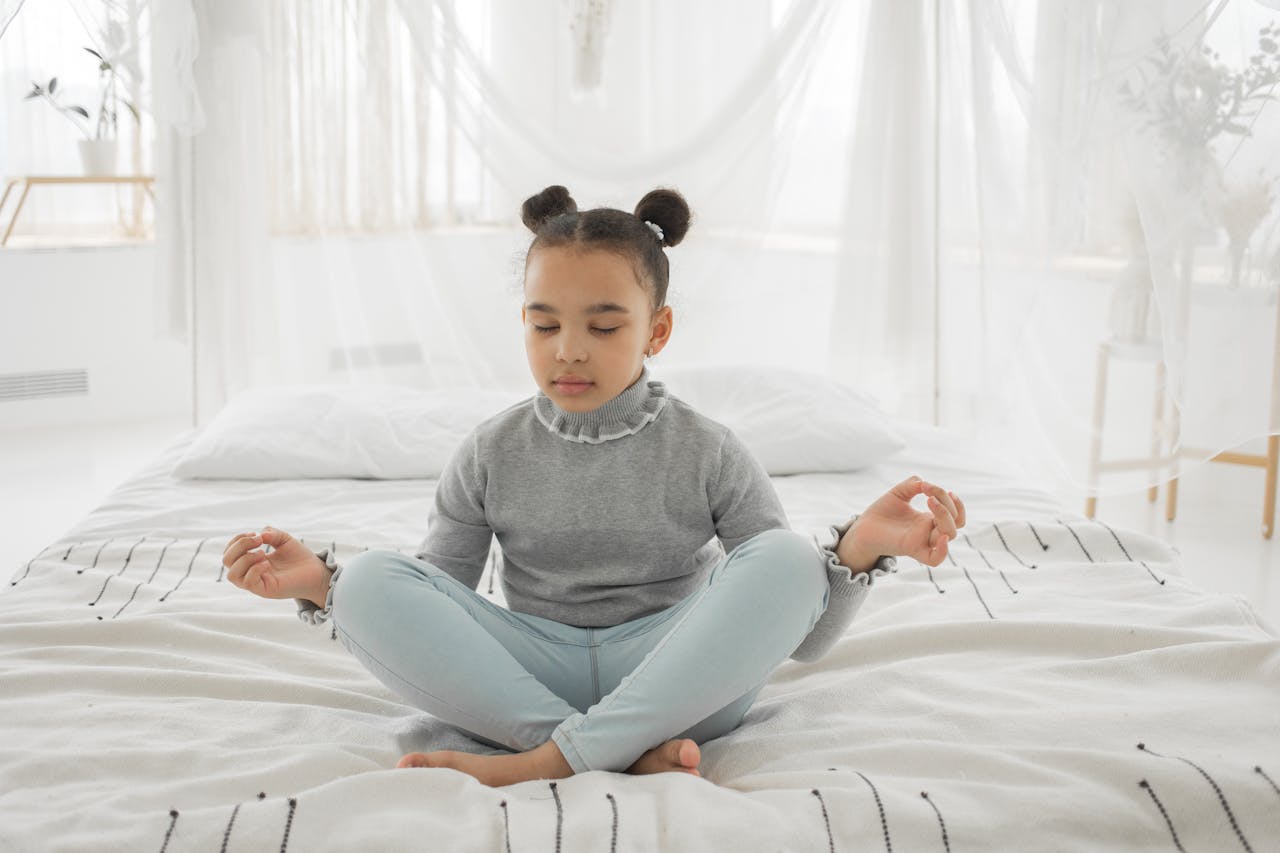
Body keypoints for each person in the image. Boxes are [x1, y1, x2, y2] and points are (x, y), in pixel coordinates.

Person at [220, 185, 966, 788]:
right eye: (544, 326)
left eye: (604, 327)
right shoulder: (489, 451)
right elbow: (432, 605)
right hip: (525, 671)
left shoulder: (709, 449)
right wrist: (319, 585)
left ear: (657, 330)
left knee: (787, 559)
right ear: (524, 324)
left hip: (677, 675)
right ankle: (615, 750)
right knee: (371, 577)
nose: (568, 350)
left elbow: (805, 633)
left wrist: (861, 548)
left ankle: (547, 759)